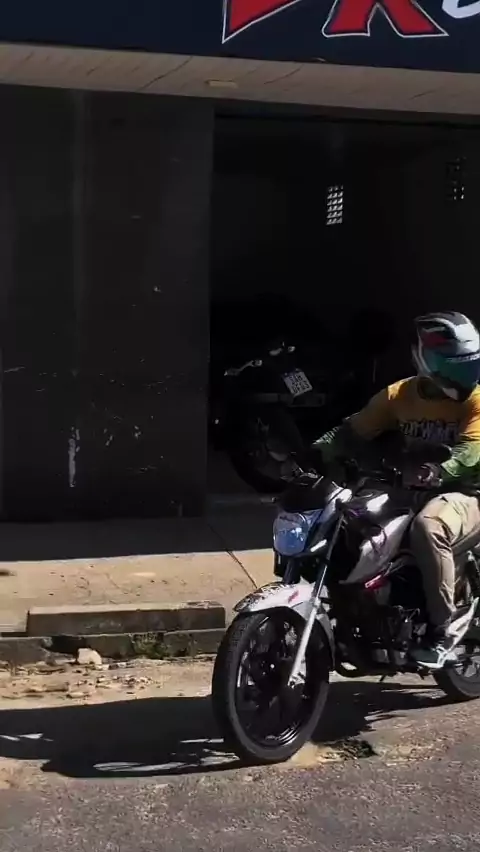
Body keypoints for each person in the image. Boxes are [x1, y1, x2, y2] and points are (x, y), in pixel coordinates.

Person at [312, 311, 480, 668]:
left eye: (470, 365)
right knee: (350, 521)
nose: (465, 376)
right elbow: (352, 431)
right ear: (425, 359)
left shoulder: (476, 400)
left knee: (428, 527)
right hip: (409, 488)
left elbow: (471, 453)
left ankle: (442, 630)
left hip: (466, 494)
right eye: (454, 366)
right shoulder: (399, 395)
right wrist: (316, 451)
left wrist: (441, 470)